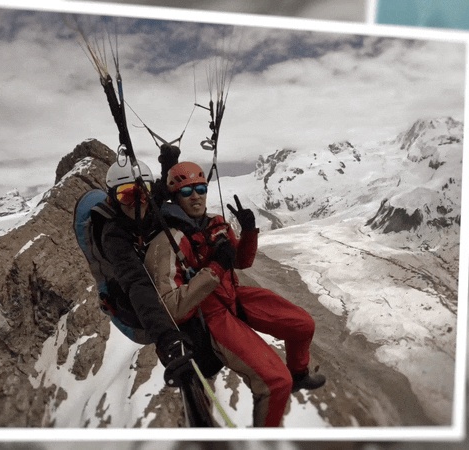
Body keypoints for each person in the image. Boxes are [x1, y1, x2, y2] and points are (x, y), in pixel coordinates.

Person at [144, 161, 326, 427]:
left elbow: (242, 261)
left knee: (303, 324)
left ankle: (299, 375)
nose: (195, 196)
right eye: (186, 191)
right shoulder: (168, 241)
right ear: (174, 196)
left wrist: (249, 232)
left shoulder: (215, 224)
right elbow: (172, 307)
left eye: (200, 189)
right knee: (276, 382)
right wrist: (216, 266)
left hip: (233, 295)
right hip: (211, 315)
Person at [96, 146, 203, 386]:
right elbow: (136, 282)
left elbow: (160, 190)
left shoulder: (150, 203)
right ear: (112, 198)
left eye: (142, 192)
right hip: (135, 301)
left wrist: (169, 162)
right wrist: (167, 339)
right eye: (126, 195)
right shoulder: (113, 236)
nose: (137, 202)